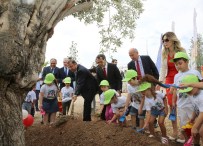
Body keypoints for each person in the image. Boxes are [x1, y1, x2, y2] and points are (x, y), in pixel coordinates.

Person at [158, 32, 185, 140]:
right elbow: (163, 68)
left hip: (181, 78)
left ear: (173, 40)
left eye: (166, 40)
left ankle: (184, 132)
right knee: (172, 105)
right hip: (169, 79)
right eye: (163, 41)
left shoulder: (182, 51)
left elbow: (187, 64)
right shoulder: (164, 53)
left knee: (182, 105)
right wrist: (160, 82)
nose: (164, 43)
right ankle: (175, 132)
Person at [171, 52, 203, 143]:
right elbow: (175, 90)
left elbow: (200, 85)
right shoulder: (176, 76)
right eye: (176, 64)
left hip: (193, 104)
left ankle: (196, 142)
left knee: (196, 126)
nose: (178, 66)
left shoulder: (194, 72)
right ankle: (188, 141)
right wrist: (174, 101)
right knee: (185, 126)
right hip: (181, 104)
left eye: (180, 63)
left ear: (186, 62)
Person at [128, 48, 159, 127]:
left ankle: (153, 121)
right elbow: (131, 77)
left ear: (137, 53)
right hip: (138, 86)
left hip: (149, 84)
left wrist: (154, 83)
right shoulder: (130, 64)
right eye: (130, 56)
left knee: (150, 101)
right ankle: (140, 120)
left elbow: (154, 70)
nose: (131, 57)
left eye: (132, 55)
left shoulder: (146, 58)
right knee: (140, 101)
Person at [96, 54, 122, 120]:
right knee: (106, 106)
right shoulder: (98, 69)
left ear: (104, 59)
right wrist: (100, 93)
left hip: (114, 90)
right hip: (105, 91)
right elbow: (99, 82)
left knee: (116, 106)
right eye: (98, 62)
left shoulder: (113, 66)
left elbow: (119, 78)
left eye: (101, 62)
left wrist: (119, 89)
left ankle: (119, 120)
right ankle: (106, 119)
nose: (99, 64)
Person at [179, 75, 202, 146]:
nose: (187, 92)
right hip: (200, 116)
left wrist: (195, 127)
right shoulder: (193, 95)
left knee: (201, 131)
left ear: (196, 86)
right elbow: (196, 108)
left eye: (189, 90)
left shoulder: (201, 97)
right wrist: (192, 118)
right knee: (197, 131)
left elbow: (202, 112)